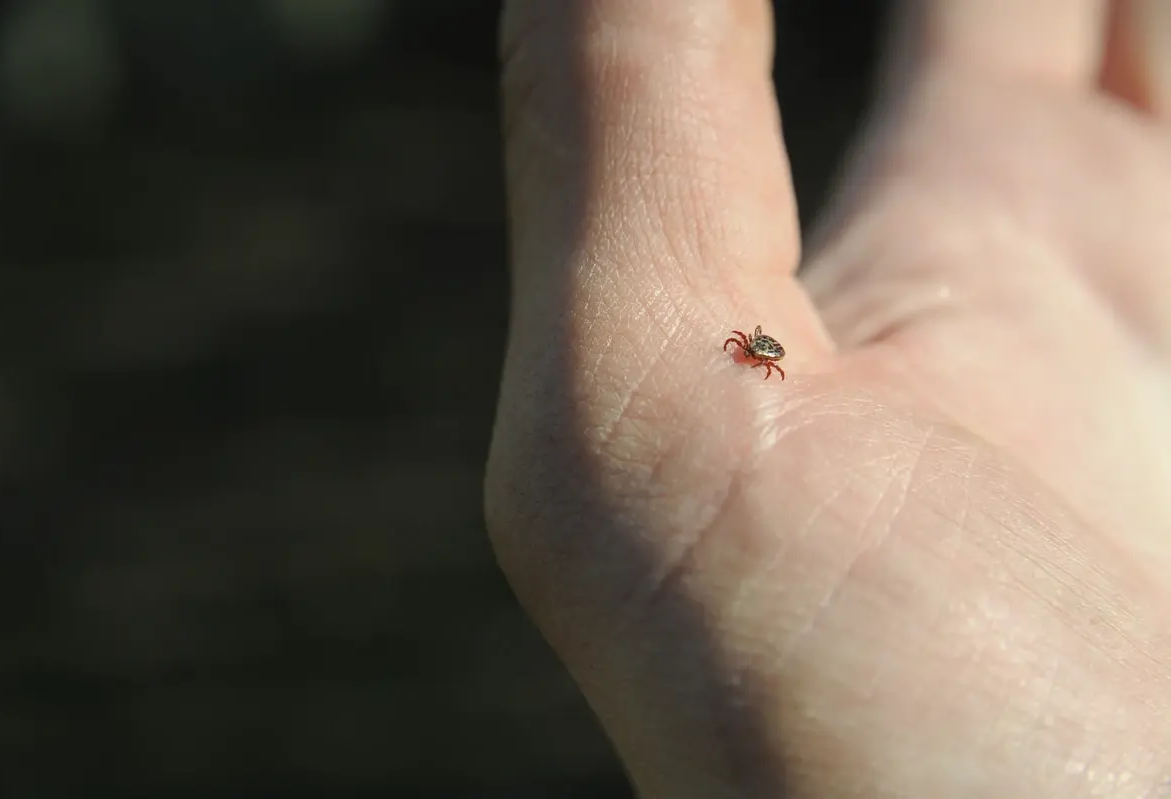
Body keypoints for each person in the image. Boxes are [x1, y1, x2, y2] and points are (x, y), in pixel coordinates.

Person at [485, 1, 1171, 795]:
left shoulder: (753, 350)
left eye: (750, 354)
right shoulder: (754, 356)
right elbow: (753, 351)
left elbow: (753, 349)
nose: (750, 356)